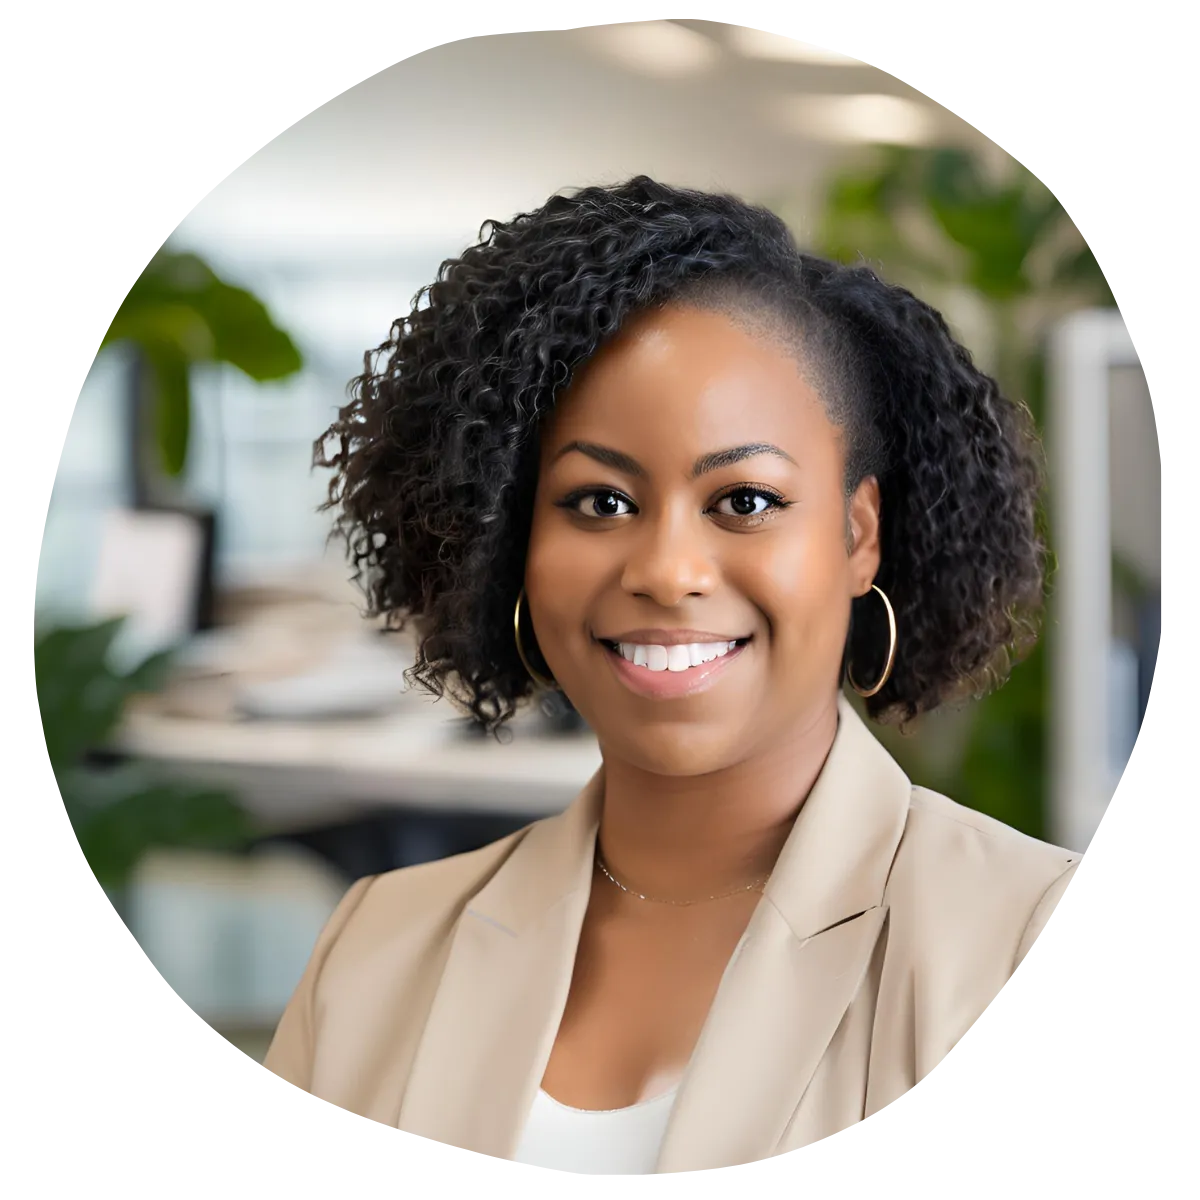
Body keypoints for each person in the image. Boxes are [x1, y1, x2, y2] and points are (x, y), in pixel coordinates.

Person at [261, 176, 1083, 1173]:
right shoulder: (376, 950)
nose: (664, 572)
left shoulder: (1017, 938)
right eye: (598, 502)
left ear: (858, 534)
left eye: (743, 499)